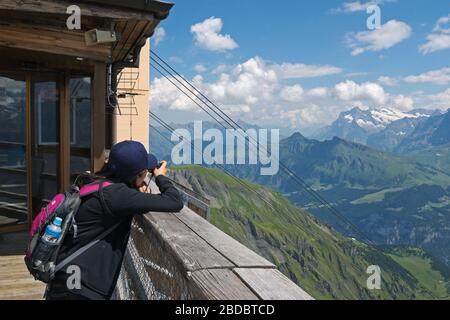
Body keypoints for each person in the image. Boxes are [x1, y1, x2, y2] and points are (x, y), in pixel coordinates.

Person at [45, 140, 184, 300]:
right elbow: (174, 201)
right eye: (146, 172)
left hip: (66, 278)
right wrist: (160, 177)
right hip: (79, 288)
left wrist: (137, 190)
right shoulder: (118, 196)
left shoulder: (96, 183)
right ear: (137, 175)